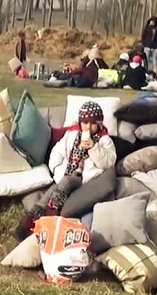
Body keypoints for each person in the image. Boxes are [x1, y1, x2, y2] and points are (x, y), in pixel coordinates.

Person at [15, 101, 116, 241]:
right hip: (66, 174)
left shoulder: (104, 140)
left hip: (84, 179)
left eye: (93, 123)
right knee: (52, 190)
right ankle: (31, 218)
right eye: (85, 122)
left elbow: (108, 162)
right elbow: (58, 151)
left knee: (66, 182)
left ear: (99, 124)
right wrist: (56, 168)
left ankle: (52, 214)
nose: (88, 127)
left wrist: (93, 147)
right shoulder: (72, 134)